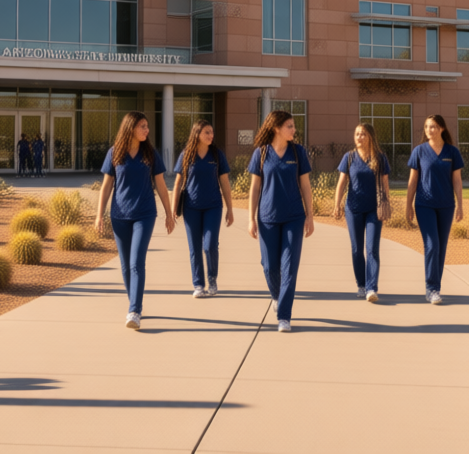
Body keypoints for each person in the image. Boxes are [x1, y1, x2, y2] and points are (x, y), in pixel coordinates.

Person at [95, 112, 174, 330]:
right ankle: (134, 303)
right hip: (119, 216)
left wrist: (169, 213)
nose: (147, 130)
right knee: (125, 264)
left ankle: (134, 310)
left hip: (144, 214)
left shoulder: (150, 153)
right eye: (143, 126)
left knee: (136, 262)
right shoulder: (115, 153)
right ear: (131, 128)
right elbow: (107, 186)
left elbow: (160, 185)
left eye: (147, 126)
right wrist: (99, 215)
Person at [247, 110, 314, 333]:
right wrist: (251, 219)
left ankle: (284, 316)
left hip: (294, 217)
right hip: (267, 218)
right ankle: (277, 296)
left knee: (290, 267)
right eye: (290, 126)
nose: (294, 130)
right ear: (276, 128)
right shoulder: (261, 153)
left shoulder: (298, 152)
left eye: (294, 126)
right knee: (269, 266)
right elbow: (255, 188)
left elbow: (305, 186)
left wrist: (310, 216)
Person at [405, 114, 464, 305]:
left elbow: (457, 180)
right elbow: (412, 181)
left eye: (433, 127)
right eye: (427, 127)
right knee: (432, 245)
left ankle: (435, 288)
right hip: (424, 205)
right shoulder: (419, 151)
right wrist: (408, 206)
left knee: (441, 247)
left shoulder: (452, 152)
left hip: (446, 205)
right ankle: (431, 289)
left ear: (442, 129)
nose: (429, 130)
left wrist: (460, 205)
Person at [172, 119, 234, 299]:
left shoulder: (217, 155)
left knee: (210, 245)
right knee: (195, 248)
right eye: (207, 132)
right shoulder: (186, 155)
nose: (211, 135)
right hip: (191, 208)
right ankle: (198, 284)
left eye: (212, 132)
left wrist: (230, 209)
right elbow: (177, 184)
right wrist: (172, 210)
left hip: (213, 207)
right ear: (197, 134)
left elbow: (225, 182)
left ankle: (212, 279)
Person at [333, 123, 390, 303]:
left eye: (363, 134)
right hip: (353, 209)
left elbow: (385, 184)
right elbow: (341, 183)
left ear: (370, 137)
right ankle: (361, 284)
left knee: (372, 248)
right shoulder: (349, 157)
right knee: (357, 249)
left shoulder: (380, 158)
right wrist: (337, 205)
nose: (359, 137)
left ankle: (372, 287)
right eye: (357, 133)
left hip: (374, 210)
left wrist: (386, 205)